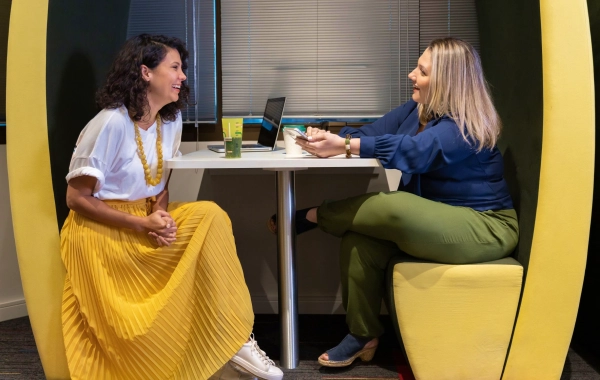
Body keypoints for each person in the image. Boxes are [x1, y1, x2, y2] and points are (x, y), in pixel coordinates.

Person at [271, 37, 519, 367]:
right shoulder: (416, 111)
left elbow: (415, 153)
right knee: (359, 239)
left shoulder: (465, 124)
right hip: (436, 222)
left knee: (393, 205)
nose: (411, 75)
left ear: (447, 80)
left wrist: (345, 147)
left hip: (485, 226)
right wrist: (330, 139)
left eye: (422, 71)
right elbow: (371, 133)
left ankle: (312, 216)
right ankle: (362, 335)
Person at [61, 34, 284, 380]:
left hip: (147, 217)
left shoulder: (170, 121)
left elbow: (161, 183)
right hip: (101, 230)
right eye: (175, 67)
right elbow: (76, 199)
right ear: (146, 72)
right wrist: (141, 225)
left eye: (183, 68)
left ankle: (236, 340)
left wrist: (160, 217)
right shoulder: (110, 123)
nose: (183, 76)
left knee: (210, 215)